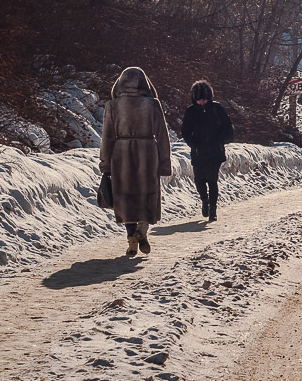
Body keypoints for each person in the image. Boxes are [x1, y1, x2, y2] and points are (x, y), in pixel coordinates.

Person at [99, 66, 172, 257]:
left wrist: (105, 163)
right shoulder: (152, 104)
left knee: (125, 198)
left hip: (121, 153)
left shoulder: (113, 106)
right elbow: (163, 136)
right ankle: (143, 229)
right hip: (148, 152)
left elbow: (107, 137)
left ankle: (132, 239)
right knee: (148, 194)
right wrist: (164, 162)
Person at [180, 79, 234, 222]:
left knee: (212, 180)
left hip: (215, 151)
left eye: (204, 99)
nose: (202, 102)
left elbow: (228, 127)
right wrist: (193, 144)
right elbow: (185, 131)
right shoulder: (190, 112)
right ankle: (204, 200)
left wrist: (220, 140)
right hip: (198, 151)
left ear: (209, 97)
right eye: (199, 100)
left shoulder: (217, 109)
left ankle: (213, 210)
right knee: (199, 180)